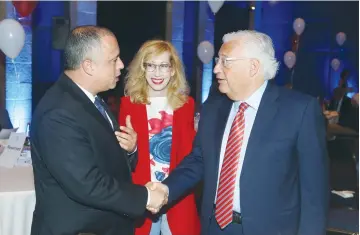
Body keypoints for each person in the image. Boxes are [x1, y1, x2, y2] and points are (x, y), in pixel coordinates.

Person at [149, 30, 329, 235]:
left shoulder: (299, 110)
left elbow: (314, 194)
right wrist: (166, 189)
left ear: (253, 67)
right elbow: (199, 160)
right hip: (214, 227)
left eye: (225, 61)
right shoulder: (213, 108)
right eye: (217, 60)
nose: (216, 68)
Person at [30, 26, 167, 235]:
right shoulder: (58, 113)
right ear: (88, 66)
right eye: (114, 60)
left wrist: (129, 150)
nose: (121, 65)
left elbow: (103, 158)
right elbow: (87, 184)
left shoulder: (91, 99)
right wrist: (145, 197)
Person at [119, 40, 200, 235]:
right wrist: (130, 149)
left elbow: (191, 154)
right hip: (142, 193)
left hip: (177, 194)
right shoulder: (129, 104)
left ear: (173, 70)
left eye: (163, 66)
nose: (157, 73)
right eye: (151, 65)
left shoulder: (186, 105)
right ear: (143, 68)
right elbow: (122, 158)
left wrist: (199, 134)